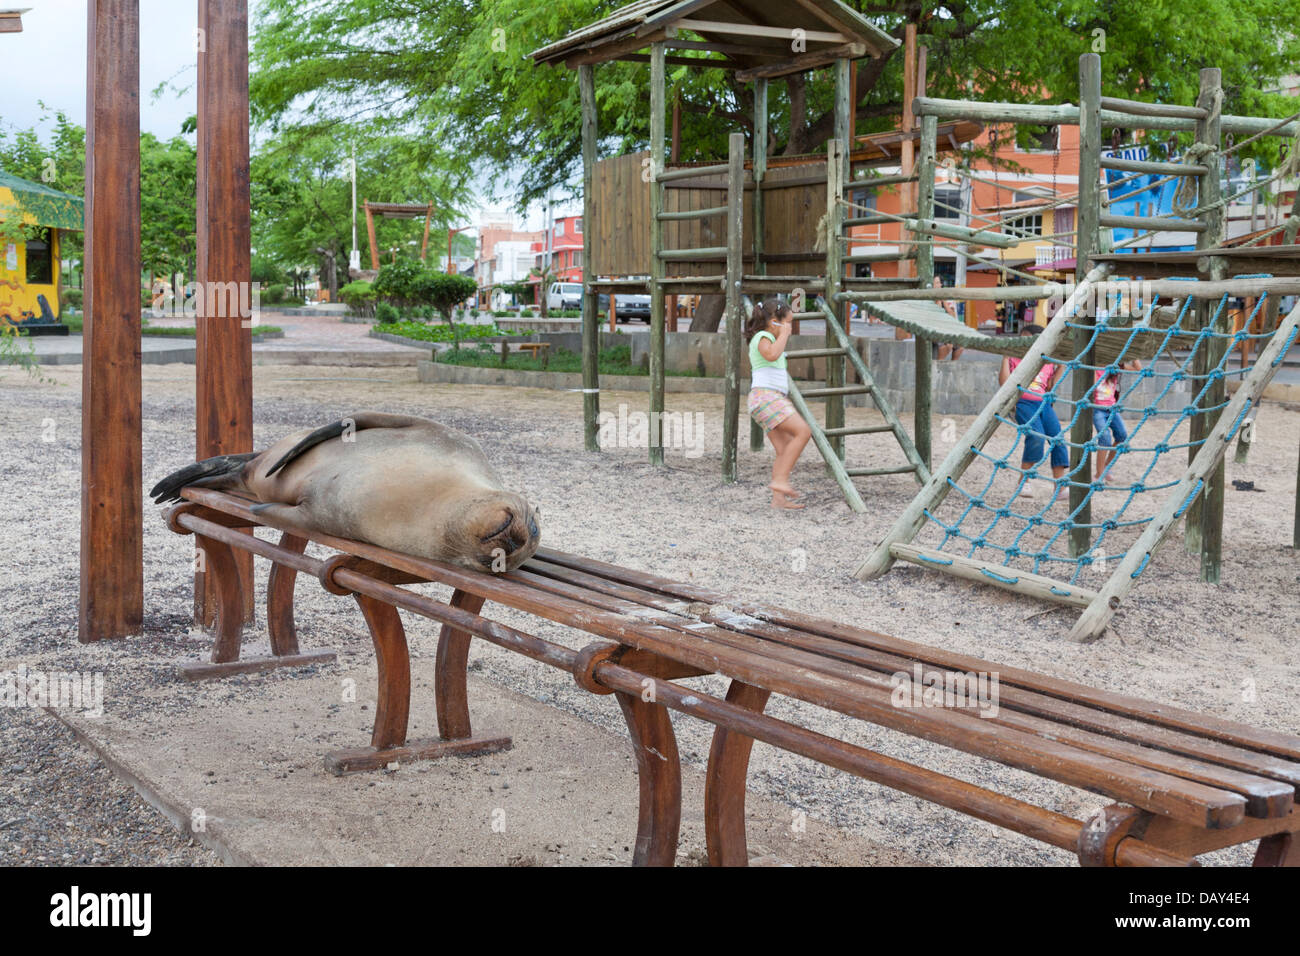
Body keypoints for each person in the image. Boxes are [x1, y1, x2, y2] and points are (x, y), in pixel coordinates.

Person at [746, 298, 811, 510]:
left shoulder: (768, 337)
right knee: (803, 432)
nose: (790, 328)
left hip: (768, 399)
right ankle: (780, 481)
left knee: (784, 449)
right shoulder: (762, 337)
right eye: (788, 323)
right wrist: (783, 334)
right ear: (774, 321)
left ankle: (778, 499)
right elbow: (772, 355)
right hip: (766, 397)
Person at [998, 326, 1068, 499]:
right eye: (1023, 339)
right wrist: (1005, 358)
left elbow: (1051, 386)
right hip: (1023, 403)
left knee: (1057, 439)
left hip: (1043, 404)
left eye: (1030, 339)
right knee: (1036, 436)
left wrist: (1062, 366)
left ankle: (1059, 486)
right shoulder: (1015, 357)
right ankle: (1024, 481)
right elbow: (1004, 383)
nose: (1026, 343)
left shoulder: (1046, 360)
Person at [1092, 359, 1141, 482]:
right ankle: (1099, 474)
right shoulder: (1093, 367)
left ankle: (1106, 466)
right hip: (1098, 408)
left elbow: (1138, 369)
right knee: (1105, 438)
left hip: (1112, 408)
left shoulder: (1116, 366)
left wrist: (1133, 355)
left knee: (1122, 435)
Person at [932, 276, 965, 361]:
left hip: (946, 328)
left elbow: (952, 316)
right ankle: (939, 363)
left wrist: (943, 301)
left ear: (941, 284)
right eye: (935, 283)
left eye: (937, 283)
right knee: (948, 345)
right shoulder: (930, 297)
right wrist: (938, 301)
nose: (936, 285)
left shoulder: (945, 297)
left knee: (960, 346)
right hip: (934, 329)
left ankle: (952, 365)